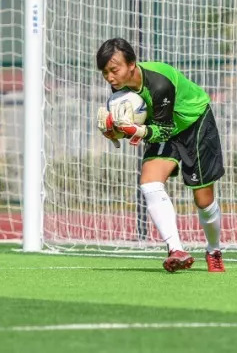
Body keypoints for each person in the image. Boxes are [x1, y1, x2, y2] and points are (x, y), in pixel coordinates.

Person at [94, 37, 225, 273]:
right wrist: (114, 132)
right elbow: (142, 126)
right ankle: (176, 250)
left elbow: (159, 129)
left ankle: (213, 250)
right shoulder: (118, 88)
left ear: (132, 64)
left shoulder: (159, 83)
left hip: (195, 124)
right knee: (149, 182)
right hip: (162, 128)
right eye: (105, 73)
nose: (110, 78)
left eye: (114, 70)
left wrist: (136, 131)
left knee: (203, 201)